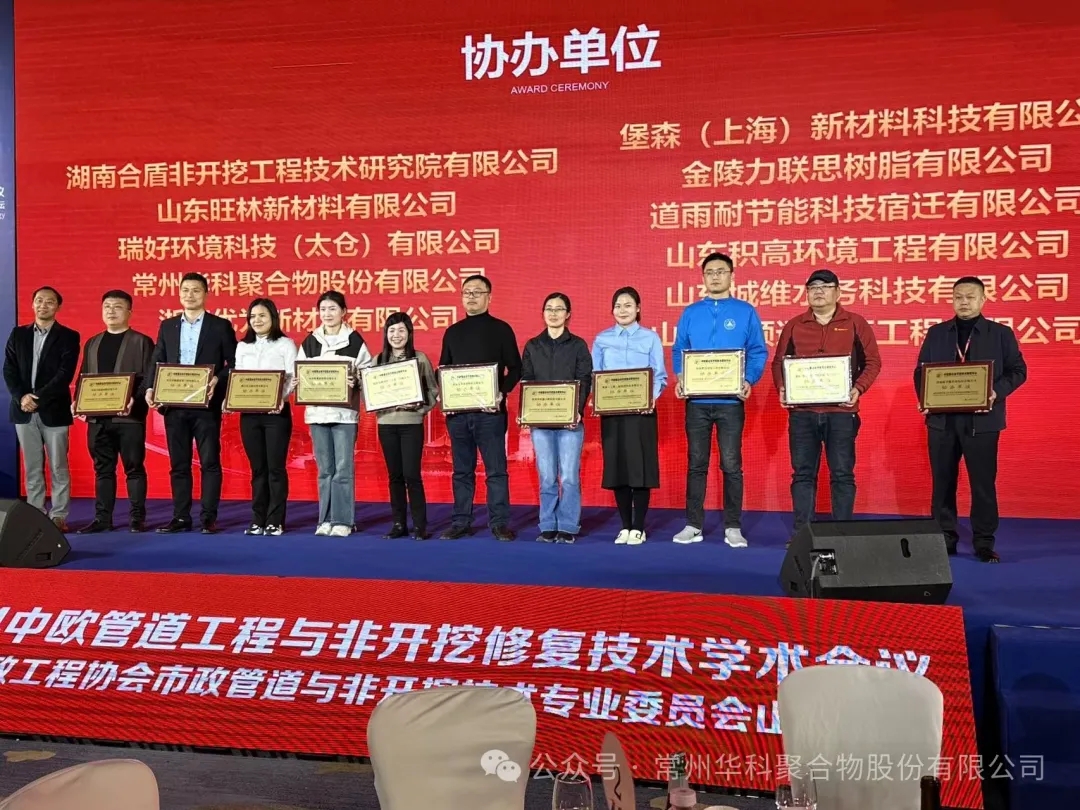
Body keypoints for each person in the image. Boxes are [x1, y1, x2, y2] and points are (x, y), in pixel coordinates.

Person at [914, 276, 1027, 563]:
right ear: (952, 300)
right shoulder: (937, 333)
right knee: (943, 482)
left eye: (970, 297)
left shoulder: (1000, 334)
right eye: (958, 297)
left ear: (983, 299)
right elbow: (921, 371)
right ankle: (944, 539)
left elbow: (1018, 370)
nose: (963, 302)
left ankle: (984, 542)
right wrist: (925, 397)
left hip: (983, 421)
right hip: (942, 421)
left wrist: (995, 392)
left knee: (983, 484)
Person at [772, 269, 881, 542]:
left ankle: (841, 535)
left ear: (838, 292)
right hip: (803, 414)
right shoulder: (794, 325)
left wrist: (858, 388)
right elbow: (779, 362)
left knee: (842, 474)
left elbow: (872, 362)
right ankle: (803, 535)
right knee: (803, 474)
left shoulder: (855, 323)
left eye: (825, 286)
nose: (818, 291)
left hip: (841, 413)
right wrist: (782, 387)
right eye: (813, 287)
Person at [671, 252, 768, 548]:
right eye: (710, 272)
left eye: (721, 271)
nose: (715, 276)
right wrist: (681, 378)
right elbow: (679, 349)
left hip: (730, 402)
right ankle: (693, 524)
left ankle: (733, 526)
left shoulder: (745, 311)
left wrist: (748, 379)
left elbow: (758, 350)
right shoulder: (691, 312)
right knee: (696, 464)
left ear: (731, 276)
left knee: (731, 464)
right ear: (703, 277)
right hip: (697, 403)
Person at [143, 272, 237, 535]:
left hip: (206, 405)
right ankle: (181, 517)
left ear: (206, 294)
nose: (190, 295)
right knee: (179, 465)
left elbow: (234, 362)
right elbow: (157, 359)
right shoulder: (168, 326)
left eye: (196, 290)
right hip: (174, 406)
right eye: (185, 290)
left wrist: (217, 379)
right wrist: (149, 388)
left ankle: (208, 517)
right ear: (179, 293)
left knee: (209, 462)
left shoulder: (220, 326)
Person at [438, 274, 522, 541]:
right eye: (467, 292)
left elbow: (516, 368)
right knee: (461, 472)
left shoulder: (501, 329)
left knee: (496, 471)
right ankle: (461, 522)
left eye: (477, 291)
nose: (471, 296)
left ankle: (499, 523)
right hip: (458, 416)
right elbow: (444, 370)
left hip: (490, 414)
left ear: (489, 297)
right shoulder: (452, 332)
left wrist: (501, 392)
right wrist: (445, 398)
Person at [591, 287, 668, 545]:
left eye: (627, 305)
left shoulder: (650, 338)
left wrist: (648, 399)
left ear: (638, 308)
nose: (622, 310)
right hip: (612, 413)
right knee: (618, 468)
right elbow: (596, 376)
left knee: (640, 468)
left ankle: (639, 526)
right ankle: (625, 525)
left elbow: (659, 376)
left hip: (642, 413)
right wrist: (598, 397)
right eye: (618, 305)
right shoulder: (601, 339)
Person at [74, 290, 154, 534]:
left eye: (117, 306)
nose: (111, 311)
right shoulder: (92, 343)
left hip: (129, 418)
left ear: (129, 312)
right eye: (107, 306)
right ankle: (103, 519)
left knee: (134, 468)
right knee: (102, 470)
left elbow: (149, 378)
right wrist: (78, 401)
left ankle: (137, 518)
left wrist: (134, 400)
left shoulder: (142, 341)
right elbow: (84, 377)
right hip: (97, 419)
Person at [2, 285, 80, 531]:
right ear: (32, 303)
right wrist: (21, 397)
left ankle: (59, 515)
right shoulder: (18, 334)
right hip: (23, 410)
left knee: (58, 466)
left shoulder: (69, 336)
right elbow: (9, 369)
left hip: (53, 409)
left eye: (49, 301)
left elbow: (64, 374)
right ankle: (36, 513)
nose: (43, 305)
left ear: (58, 306)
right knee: (32, 467)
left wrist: (36, 397)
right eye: (39, 300)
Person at [296, 290, 373, 537]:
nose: (327, 314)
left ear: (343, 312)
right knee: (324, 470)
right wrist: (299, 381)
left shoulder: (355, 341)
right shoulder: (310, 341)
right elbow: (300, 373)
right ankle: (325, 519)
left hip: (344, 414)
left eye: (332, 309)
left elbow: (368, 373)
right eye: (323, 309)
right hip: (317, 413)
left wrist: (356, 379)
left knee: (343, 468)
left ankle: (343, 520)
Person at [520, 292, 593, 544]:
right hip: (541, 422)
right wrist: (528, 412)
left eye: (559, 309)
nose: (553, 313)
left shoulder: (578, 345)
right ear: (543, 313)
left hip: (571, 421)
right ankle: (548, 524)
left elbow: (584, 379)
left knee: (570, 476)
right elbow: (527, 380)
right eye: (549, 308)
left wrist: (577, 410)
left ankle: (568, 526)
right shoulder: (532, 346)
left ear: (568, 314)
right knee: (547, 476)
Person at [231, 298, 297, 537]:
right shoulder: (242, 346)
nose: (257, 320)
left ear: (273, 318)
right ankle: (257, 519)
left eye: (262, 316)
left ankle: (275, 521)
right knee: (258, 469)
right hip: (249, 415)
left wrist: (281, 398)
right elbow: (238, 379)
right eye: (252, 316)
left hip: (276, 414)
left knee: (275, 468)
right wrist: (233, 400)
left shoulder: (285, 344)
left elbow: (292, 378)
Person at [372, 312, 439, 540]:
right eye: (391, 330)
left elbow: (433, 390)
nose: (396, 335)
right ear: (386, 334)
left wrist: (419, 408)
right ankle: (399, 523)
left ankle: (420, 525)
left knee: (412, 475)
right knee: (395, 476)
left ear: (409, 333)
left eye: (401, 330)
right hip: (386, 424)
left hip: (411, 424)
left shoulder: (420, 359)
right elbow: (370, 394)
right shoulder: (377, 360)